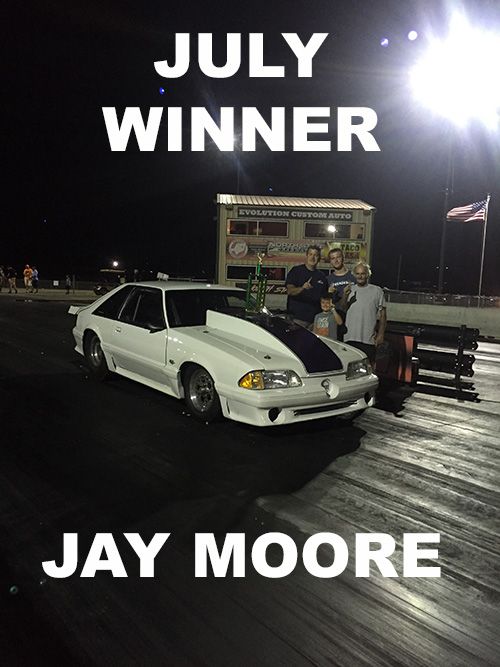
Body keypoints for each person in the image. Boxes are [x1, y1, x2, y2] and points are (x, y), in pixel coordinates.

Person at [339, 261, 386, 365]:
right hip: (349, 338)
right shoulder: (350, 290)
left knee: (368, 368)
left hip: (368, 340)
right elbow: (343, 307)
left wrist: (381, 334)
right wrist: (345, 295)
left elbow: (383, 315)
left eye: (363, 273)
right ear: (354, 275)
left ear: (368, 274)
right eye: (358, 274)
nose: (360, 276)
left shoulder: (377, 290)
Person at [285, 245, 328, 328]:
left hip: (315, 321)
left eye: (316, 255)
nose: (312, 257)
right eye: (310, 254)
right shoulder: (296, 271)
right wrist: (302, 288)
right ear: (307, 256)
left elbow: (324, 299)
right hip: (297, 320)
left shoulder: (322, 276)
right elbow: (290, 291)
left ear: (319, 258)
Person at [327, 248, 355, 341]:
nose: (336, 260)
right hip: (336, 320)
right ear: (330, 261)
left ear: (343, 258)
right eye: (333, 258)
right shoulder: (328, 279)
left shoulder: (353, 276)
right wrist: (328, 293)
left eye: (338, 257)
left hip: (353, 318)